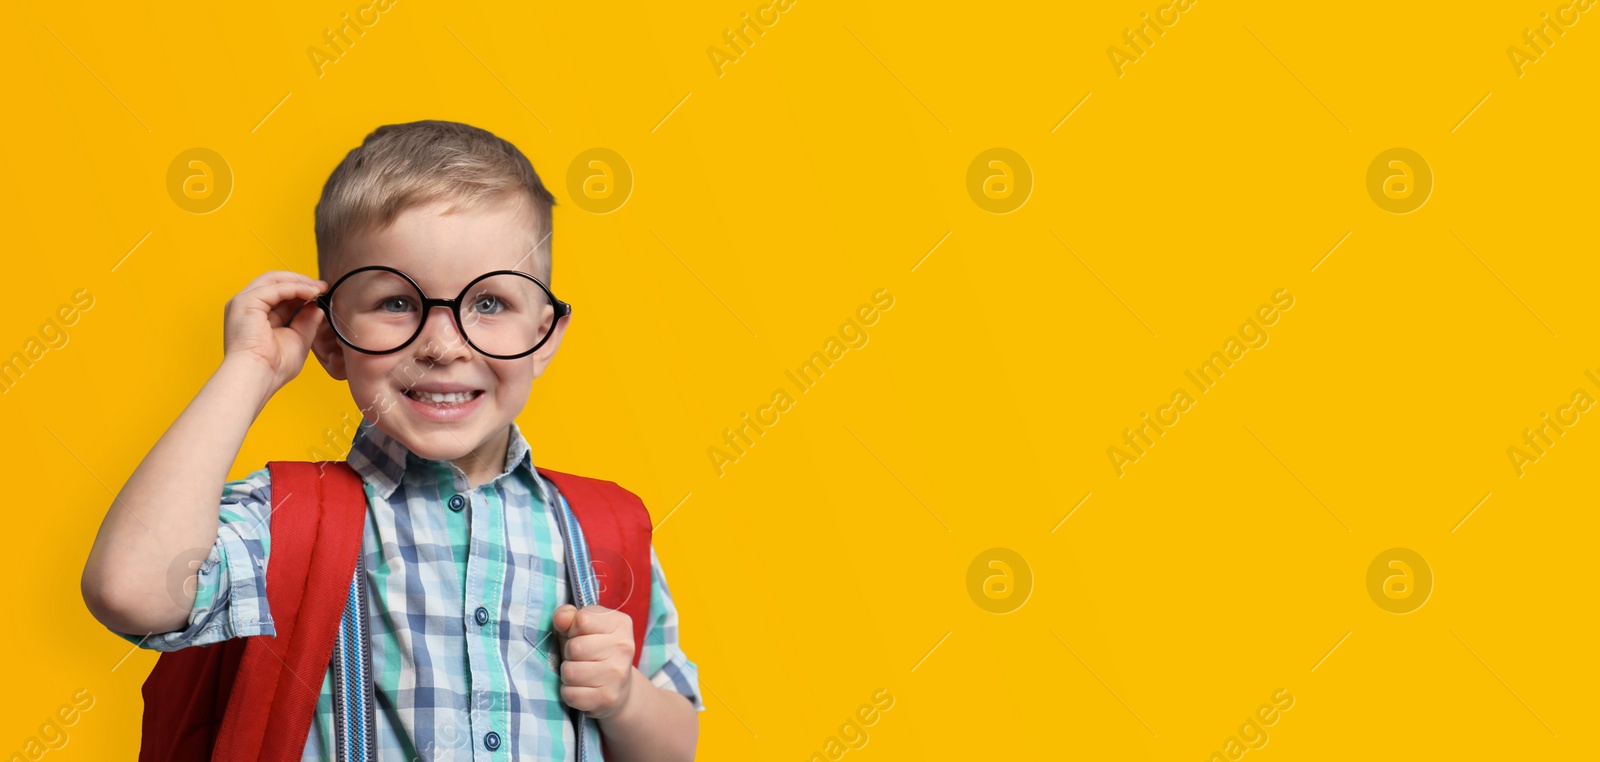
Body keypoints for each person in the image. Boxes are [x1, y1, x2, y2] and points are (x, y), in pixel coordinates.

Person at [79, 120, 703, 760]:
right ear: (329, 339)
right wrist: (250, 369)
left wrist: (623, 697)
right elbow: (131, 591)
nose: (443, 345)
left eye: (488, 304)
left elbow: (676, 744)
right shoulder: (290, 521)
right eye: (397, 303)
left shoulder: (603, 529)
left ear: (543, 337)